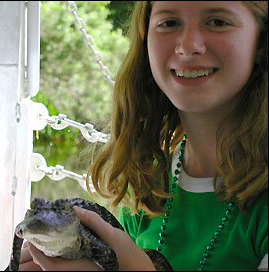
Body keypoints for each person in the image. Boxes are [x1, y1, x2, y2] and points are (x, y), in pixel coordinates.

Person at [19, 1, 268, 271]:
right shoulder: (147, 188)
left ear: (262, 39)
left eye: (218, 22)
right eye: (169, 22)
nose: (187, 45)